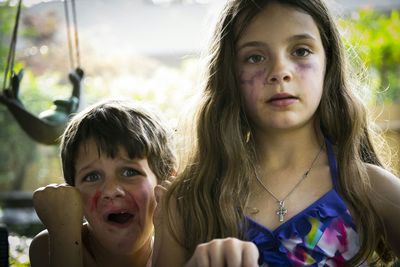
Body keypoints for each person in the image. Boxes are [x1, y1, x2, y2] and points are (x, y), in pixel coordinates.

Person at [153, 0, 400, 266]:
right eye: (255, 57)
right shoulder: (187, 203)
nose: (280, 71)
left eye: (301, 51)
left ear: (329, 63)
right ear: (230, 75)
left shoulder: (369, 189)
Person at [29, 99, 175, 267]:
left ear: (166, 184)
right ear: (72, 194)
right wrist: (64, 232)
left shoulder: (185, 252)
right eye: (92, 176)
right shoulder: (51, 243)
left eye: (129, 172)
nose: (111, 190)